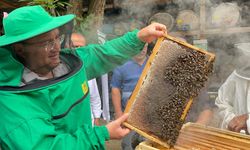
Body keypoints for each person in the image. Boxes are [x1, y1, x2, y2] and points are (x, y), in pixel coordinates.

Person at [0, 5, 166, 149]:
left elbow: (103, 54)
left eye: (57, 38)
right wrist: (102, 134)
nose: (56, 47)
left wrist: (138, 37)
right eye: (46, 43)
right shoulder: (11, 101)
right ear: (20, 49)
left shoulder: (69, 62)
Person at [111, 43, 148, 150]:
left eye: (144, 47)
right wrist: (118, 113)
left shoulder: (155, 61)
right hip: (129, 116)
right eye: (139, 47)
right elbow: (115, 89)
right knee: (129, 145)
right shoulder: (122, 65)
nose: (142, 50)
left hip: (150, 115)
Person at [215, 43, 250, 134]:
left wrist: (247, 121)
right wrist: (231, 120)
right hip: (238, 139)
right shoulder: (237, 76)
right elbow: (222, 101)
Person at [71, 33, 102, 126]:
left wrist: (96, 119)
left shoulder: (87, 70)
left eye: (82, 47)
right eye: (76, 46)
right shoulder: (59, 72)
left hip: (88, 125)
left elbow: (95, 98)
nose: (79, 50)